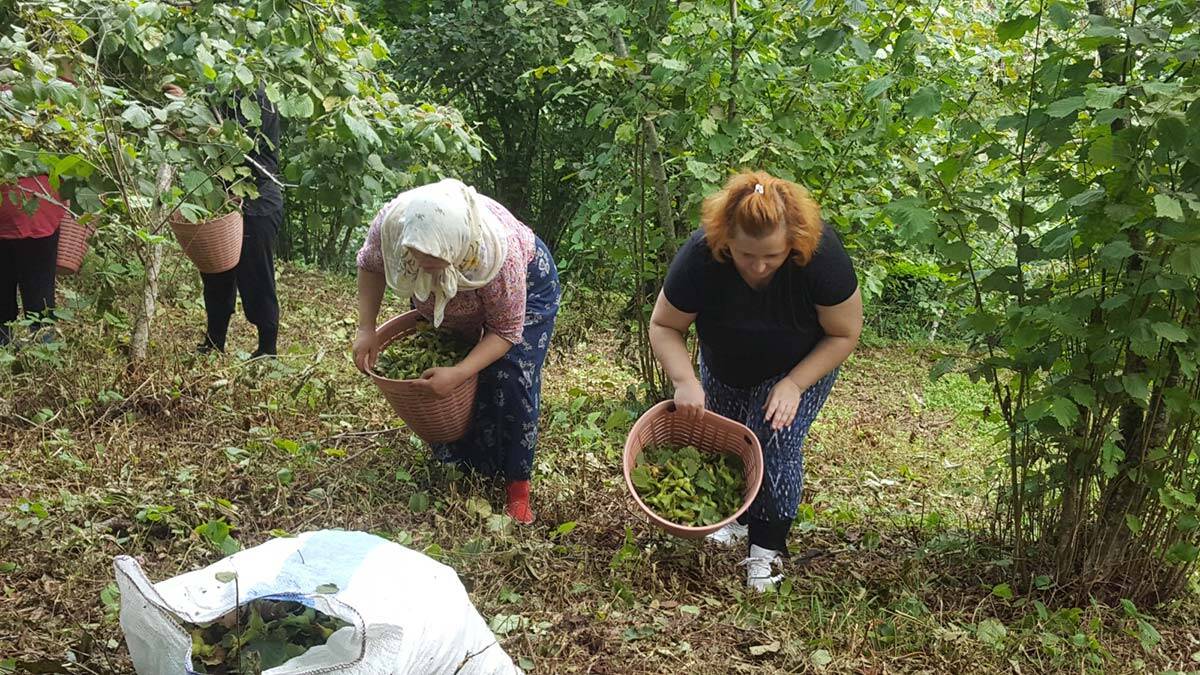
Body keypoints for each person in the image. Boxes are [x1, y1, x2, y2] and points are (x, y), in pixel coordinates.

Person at [649, 170, 862, 591]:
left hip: (800, 363)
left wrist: (795, 384)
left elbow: (844, 332)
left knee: (774, 437)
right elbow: (664, 326)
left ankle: (766, 552)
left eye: (773, 256)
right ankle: (737, 521)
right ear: (726, 240)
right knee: (729, 440)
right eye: (747, 256)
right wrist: (685, 380)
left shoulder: (820, 256)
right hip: (725, 362)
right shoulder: (701, 255)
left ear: (792, 244)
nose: (759, 267)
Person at [352, 178, 560, 525]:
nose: (423, 262)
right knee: (444, 357)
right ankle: (461, 457)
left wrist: (462, 372)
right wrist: (366, 328)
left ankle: (517, 487)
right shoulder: (393, 226)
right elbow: (371, 265)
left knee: (509, 375)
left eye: (434, 260)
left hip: (528, 287)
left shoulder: (501, 257)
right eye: (416, 257)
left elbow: (505, 332)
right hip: (450, 298)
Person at [166, 83, 284, 357]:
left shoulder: (258, 98)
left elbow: (232, 144)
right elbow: (201, 141)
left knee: (256, 277)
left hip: (257, 200)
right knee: (215, 274)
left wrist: (189, 108)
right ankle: (214, 341)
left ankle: (268, 348)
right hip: (221, 198)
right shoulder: (214, 90)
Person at [0, 175, 66, 346]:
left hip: (32, 210)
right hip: (41, 210)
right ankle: (44, 353)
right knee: (40, 292)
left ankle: (5, 346)